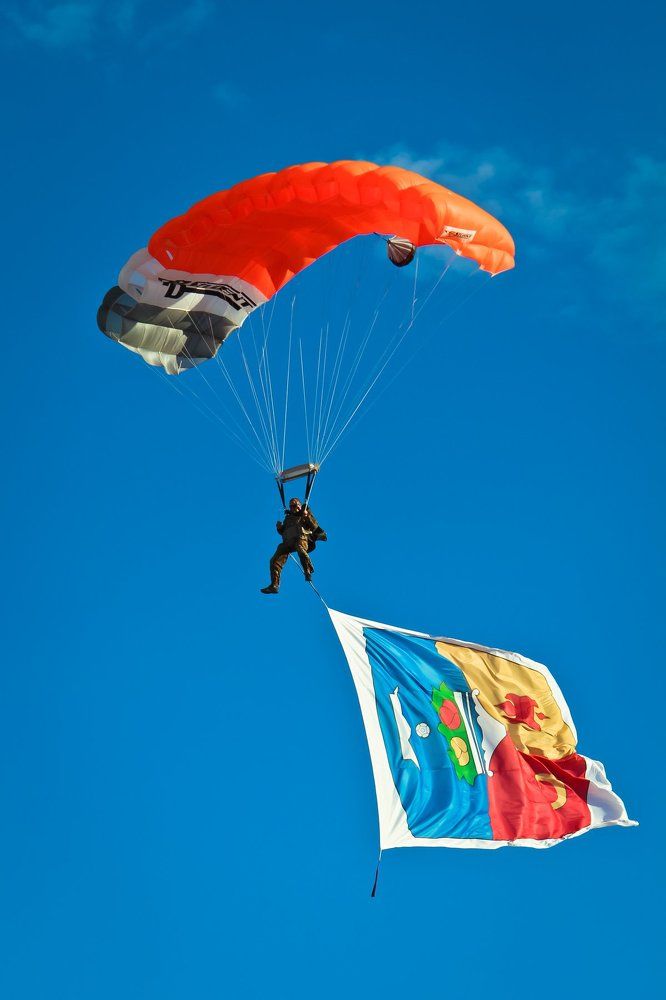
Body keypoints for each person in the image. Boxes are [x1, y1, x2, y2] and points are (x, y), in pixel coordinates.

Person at [260, 497, 325, 594]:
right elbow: (284, 532)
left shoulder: (305, 514)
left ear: (299, 506)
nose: (293, 508)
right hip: (288, 543)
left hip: (301, 539)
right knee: (274, 560)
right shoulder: (288, 518)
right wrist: (279, 528)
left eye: (295, 506)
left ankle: (307, 570)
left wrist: (307, 516)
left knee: (300, 549)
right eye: (291, 506)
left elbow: (315, 526)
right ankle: (274, 585)